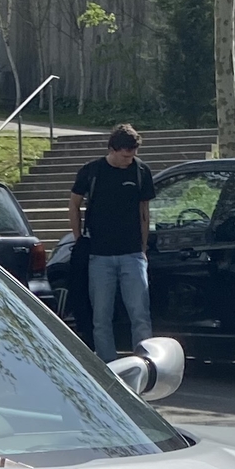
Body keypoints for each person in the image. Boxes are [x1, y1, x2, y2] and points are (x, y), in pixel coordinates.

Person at [68, 124, 157, 359]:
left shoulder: (141, 171)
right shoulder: (92, 171)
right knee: (101, 316)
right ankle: (108, 365)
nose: (130, 159)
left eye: (133, 154)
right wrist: (79, 238)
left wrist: (143, 248)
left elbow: (144, 212)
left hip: (132, 253)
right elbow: (74, 203)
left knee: (140, 313)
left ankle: (145, 362)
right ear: (113, 149)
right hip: (99, 255)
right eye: (125, 155)